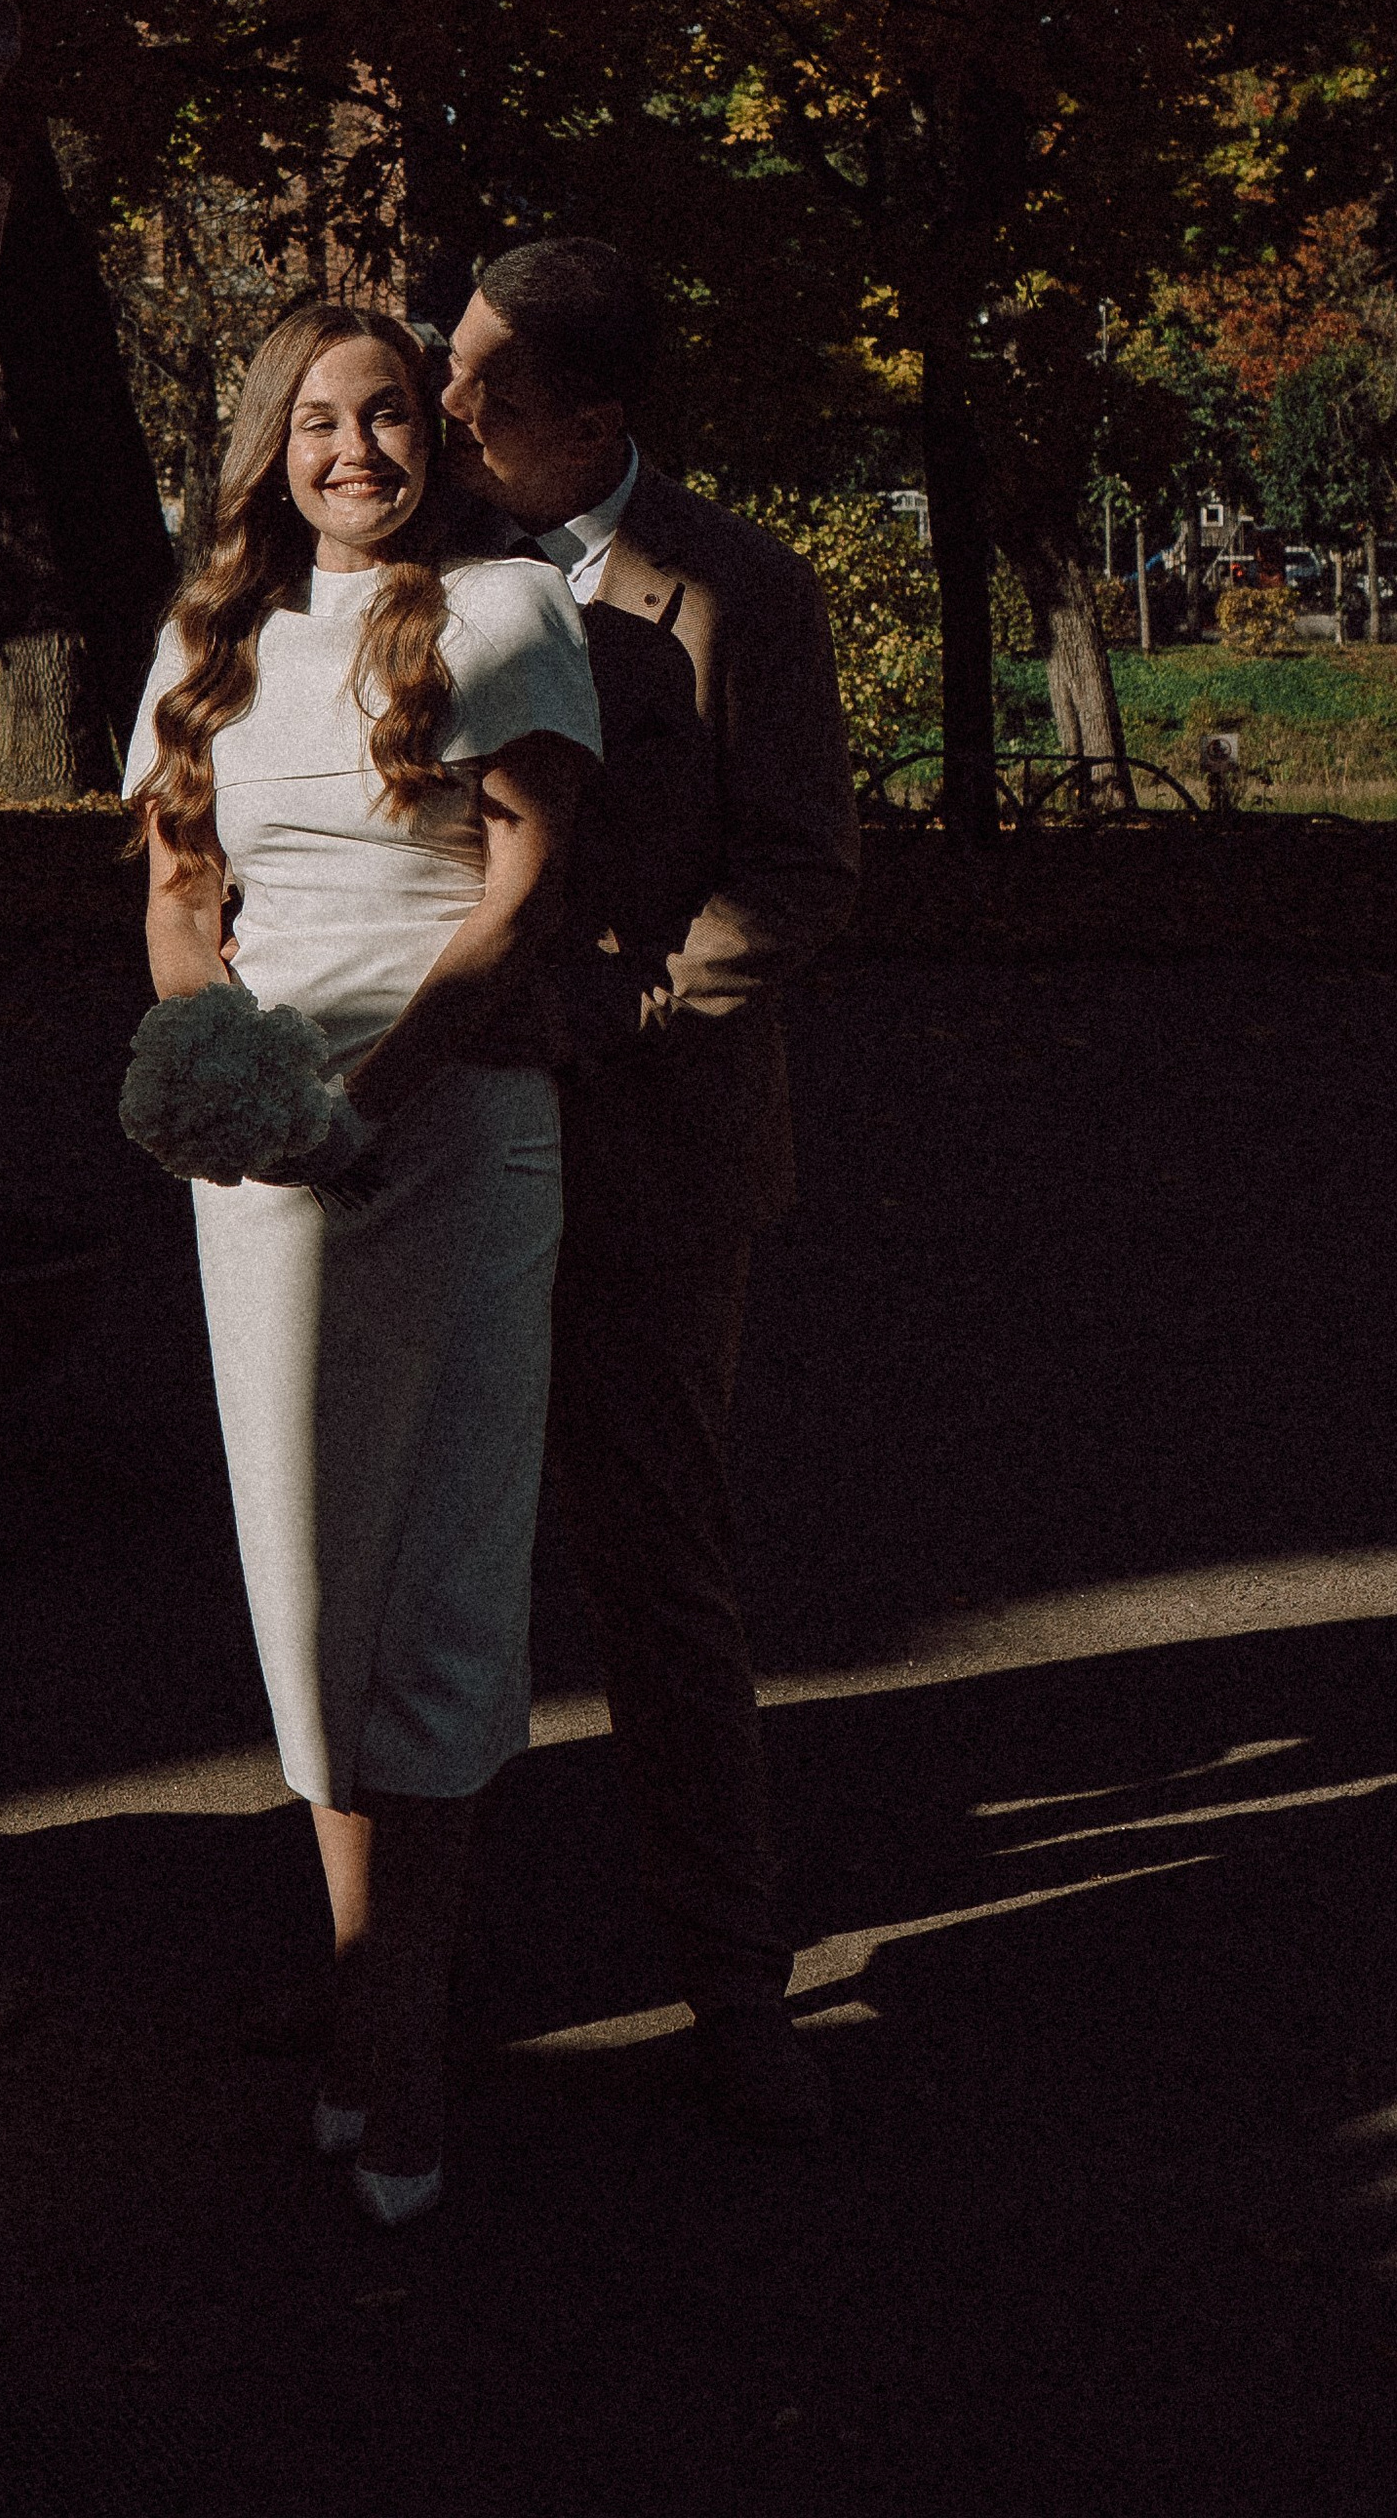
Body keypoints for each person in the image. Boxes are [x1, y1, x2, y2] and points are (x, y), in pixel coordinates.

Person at [125, 301, 601, 2225]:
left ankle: (399, 2042)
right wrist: (234, 1084)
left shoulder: (504, 614)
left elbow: (529, 887)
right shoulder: (207, 643)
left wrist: (379, 1088)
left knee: (449, 1566)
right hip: (268, 1163)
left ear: (437, 436)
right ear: (269, 445)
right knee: (307, 1577)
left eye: (387, 413)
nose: (352, 449)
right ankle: (359, 1994)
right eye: (316, 419)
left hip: (459, 1130)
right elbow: (177, 898)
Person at [440, 238, 859, 2134]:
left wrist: (618, 1014)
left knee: (656, 1573)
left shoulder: (738, 587)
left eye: (487, 394)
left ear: (596, 424)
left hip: (650, 1152)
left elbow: (799, 870)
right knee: (416, 1555)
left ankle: (732, 1984)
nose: (446, 414)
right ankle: (393, 1980)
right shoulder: (416, 564)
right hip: (433, 1135)